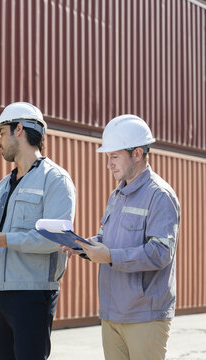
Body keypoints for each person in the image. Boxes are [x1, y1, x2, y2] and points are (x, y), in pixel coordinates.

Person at [0, 102, 77, 360]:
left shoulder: (56, 180)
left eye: (2, 133)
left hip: (32, 296)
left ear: (19, 129)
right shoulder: (3, 185)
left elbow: (56, 238)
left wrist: (3, 240)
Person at [64, 114, 181, 360]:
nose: (109, 164)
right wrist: (85, 246)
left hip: (144, 316)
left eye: (114, 156)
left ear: (137, 154)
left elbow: (161, 253)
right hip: (112, 312)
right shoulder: (117, 194)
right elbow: (110, 242)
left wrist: (110, 256)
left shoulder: (159, 195)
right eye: (108, 157)